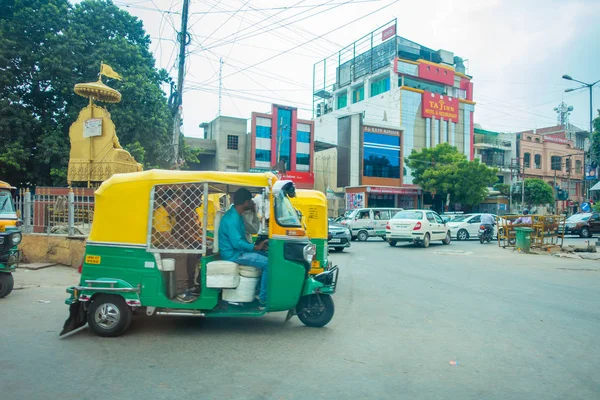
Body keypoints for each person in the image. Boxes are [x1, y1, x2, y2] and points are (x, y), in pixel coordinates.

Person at [219, 188, 269, 307]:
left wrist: (258, 247)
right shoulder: (232, 219)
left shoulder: (237, 214)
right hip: (233, 254)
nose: (252, 203)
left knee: (268, 255)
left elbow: (252, 230)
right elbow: (237, 243)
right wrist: (255, 248)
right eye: (251, 201)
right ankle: (263, 298)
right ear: (246, 202)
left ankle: (258, 290)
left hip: (238, 251)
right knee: (268, 263)